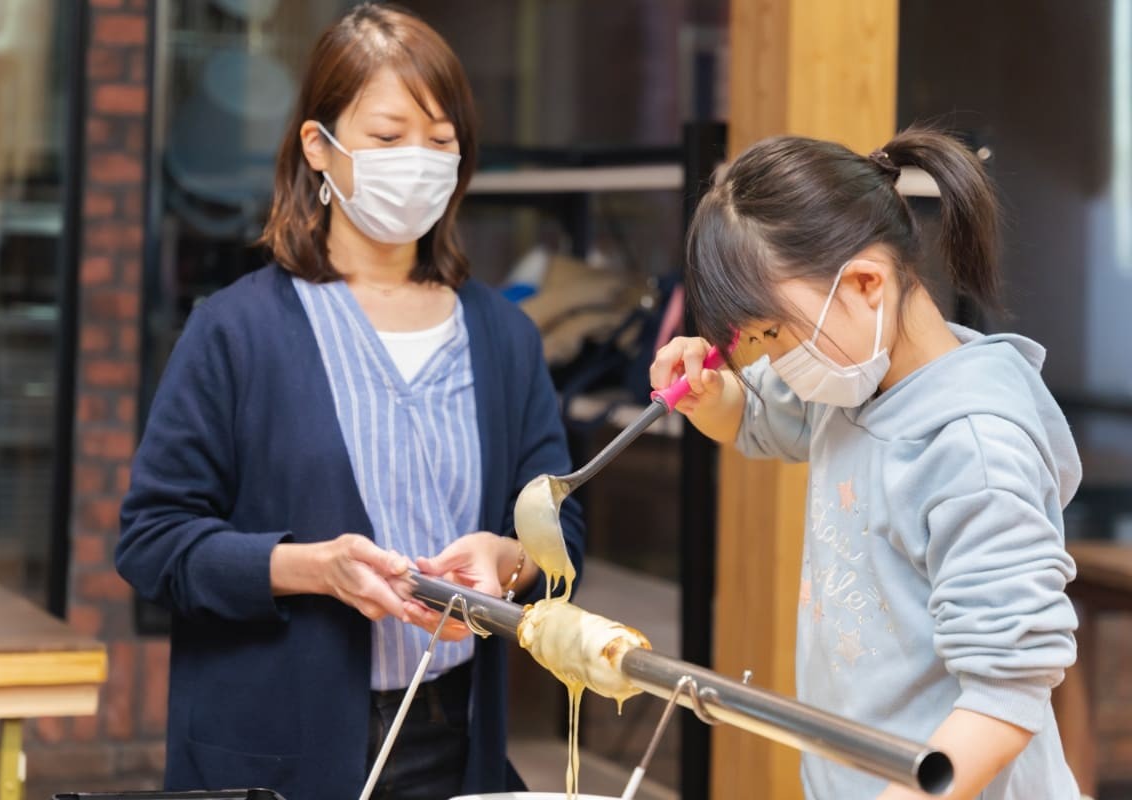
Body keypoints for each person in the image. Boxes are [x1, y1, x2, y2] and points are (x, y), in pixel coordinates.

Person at [116, 6, 584, 800]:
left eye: (440, 142)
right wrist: (312, 569)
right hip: (277, 749)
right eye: (388, 135)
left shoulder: (504, 337)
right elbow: (153, 542)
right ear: (317, 148)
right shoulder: (236, 330)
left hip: (454, 741)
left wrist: (511, 562)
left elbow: (560, 525)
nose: (418, 161)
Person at [652, 129, 1080, 799]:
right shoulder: (854, 381)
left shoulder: (972, 448)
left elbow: (1007, 691)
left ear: (864, 283)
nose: (766, 359)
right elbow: (758, 418)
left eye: (771, 332)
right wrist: (711, 395)